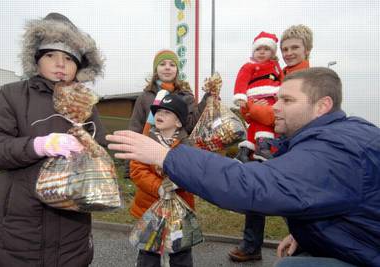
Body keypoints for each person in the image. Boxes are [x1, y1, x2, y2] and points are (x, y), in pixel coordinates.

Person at [106, 67, 380, 267]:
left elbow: (252, 186)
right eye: (277, 99)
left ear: (322, 106)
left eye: (287, 100)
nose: (275, 108)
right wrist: (305, 235)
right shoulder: (336, 137)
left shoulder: (335, 150)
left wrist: (167, 158)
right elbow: (319, 198)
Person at [0, 13, 105, 267]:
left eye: (69, 57)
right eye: (50, 55)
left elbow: (101, 150)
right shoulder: (13, 95)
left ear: (79, 65)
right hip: (20, 231)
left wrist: (91, 149)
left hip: (72, 230)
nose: (60, 63)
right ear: (35, 60)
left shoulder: (85, 103)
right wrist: (38, 145)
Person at [229, 25, 314, 263]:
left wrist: (251, 109)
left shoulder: (306, 78)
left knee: (291, 197)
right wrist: (251, 111)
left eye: (294, 48)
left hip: (291, 144)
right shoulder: (280, 73)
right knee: (257, 189)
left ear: (307, 50)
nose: (289, 53)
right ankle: (251, 244)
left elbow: (279, 116)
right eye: (285, 48)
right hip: (272, 140)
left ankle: (308, 245)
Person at [130, 94, 195, 267]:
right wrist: (158, 186)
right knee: (149, 252)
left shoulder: (187, 146)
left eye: (167, 112)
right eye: (158, 111)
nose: (160, 115)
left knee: (180, 251)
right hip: (150, 208)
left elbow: (194, 172)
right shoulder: (145, 141)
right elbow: (137, 169)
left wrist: (178, 182)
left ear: (179, 122)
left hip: (179, 211)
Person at [125, 49, 209, 178]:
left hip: (177, 152)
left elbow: (190, 125)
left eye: (172, 64)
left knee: (178, 193)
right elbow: (135, 128)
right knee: (150, 191)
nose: (167, 68)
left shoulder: (185, 96)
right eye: (163, 64)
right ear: (155, 69)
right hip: (149, 154)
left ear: (177, 70)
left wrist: (205, 101)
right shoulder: (145, 97)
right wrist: (129, 164)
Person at [233, 31, 283, 162]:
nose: (261, 52)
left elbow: (283, 80)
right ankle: (262, 146)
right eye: (258, 49)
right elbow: (241, 80)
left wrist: (283, 94)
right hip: (254, 97)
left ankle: (246, 150)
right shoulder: (249, 66)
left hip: (272, 97)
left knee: (258, 121)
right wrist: (240, 97)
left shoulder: (276, 67)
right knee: (263, 119)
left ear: (272, 53)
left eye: (266, 49)